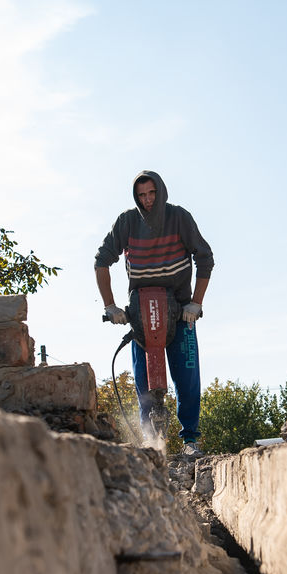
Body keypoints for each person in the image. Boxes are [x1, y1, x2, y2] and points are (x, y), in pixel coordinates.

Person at [95, 171, 213, 456]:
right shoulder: (127, 222)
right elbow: (102, 261)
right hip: (139, 316)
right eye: (141, 195)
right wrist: (110, 307)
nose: (147, 200)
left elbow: (205, 258)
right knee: (144, 385)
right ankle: (151, 444)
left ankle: (190, 441)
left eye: (151, 193)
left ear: (161, 192)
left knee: (187, 378)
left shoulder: (179, 218)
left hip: (180, 313)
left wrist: (195, 303)